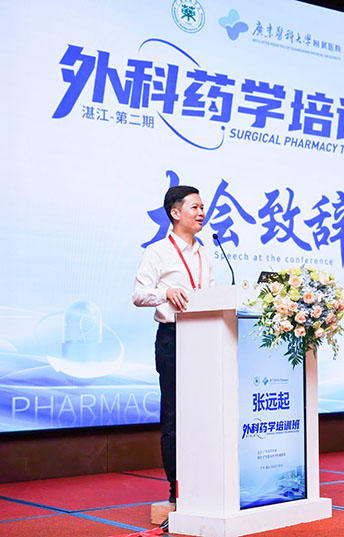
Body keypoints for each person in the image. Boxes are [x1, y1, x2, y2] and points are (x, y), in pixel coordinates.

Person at [133, 185, 216, 503]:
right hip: (173, 339)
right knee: (174, 416)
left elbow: (210, 293)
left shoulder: (205, 252)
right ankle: (176, 489)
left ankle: (204, 483)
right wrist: (165, 293)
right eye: (195, 207)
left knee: (203, 412)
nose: (201, 213)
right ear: (175, 212)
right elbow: (139, 295)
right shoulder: (157, 252)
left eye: (202, 207)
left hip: (204, 338)